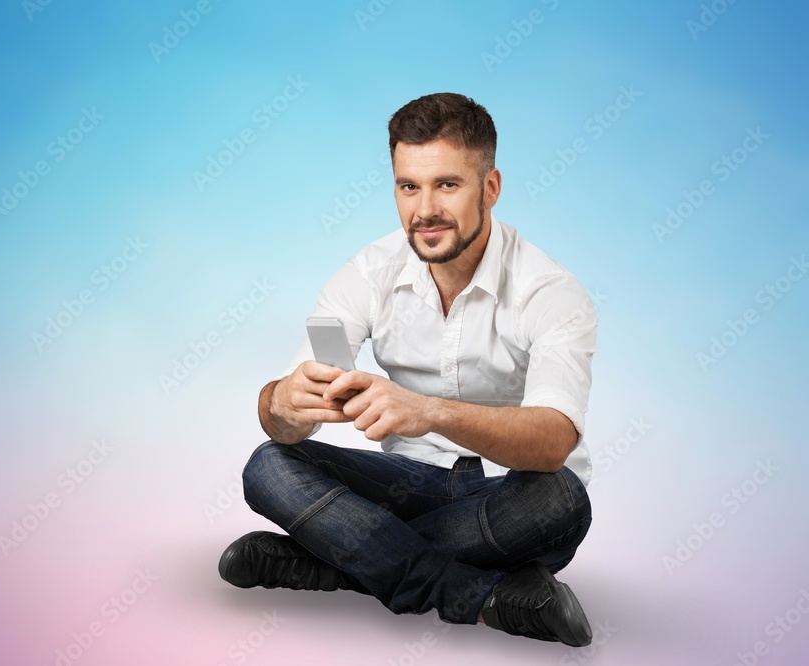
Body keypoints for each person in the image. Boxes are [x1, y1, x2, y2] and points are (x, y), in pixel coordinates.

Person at [218, 92, 598, 647]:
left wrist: (430, 412)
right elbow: (291, 414)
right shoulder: (366, 273)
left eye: (447, 184)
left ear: (489, 188)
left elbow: (553, 443)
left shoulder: (551, 292)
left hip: (509, 495)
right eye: (408, 186)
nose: (425, 210)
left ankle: (332, 561)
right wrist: (282, 403)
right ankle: (480, 597)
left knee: (562, 500)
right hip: (406, 487)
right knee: (269, 465)